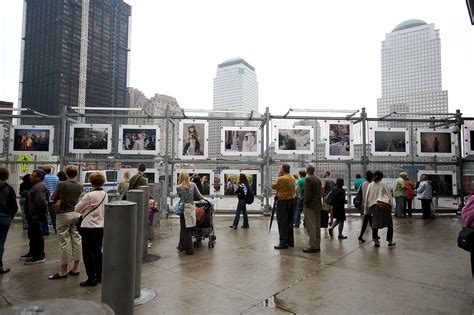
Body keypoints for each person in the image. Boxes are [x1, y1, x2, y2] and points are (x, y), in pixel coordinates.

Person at [75, 172, 107, 287]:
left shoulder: (89, 195)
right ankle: (99, 276)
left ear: (91, 182)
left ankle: (91, 278)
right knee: (98, 251)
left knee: (88, 253)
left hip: (88, 226)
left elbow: (77, 209)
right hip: (100, 226)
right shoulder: (104, 194)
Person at [364, 171, 396, 248]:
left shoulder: (370, 185)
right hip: (384, 206)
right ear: (382, 177)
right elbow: (389, 196)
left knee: (375, 224)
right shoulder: (384, 185)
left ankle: (376, 242)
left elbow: (367, 197)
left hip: (374, 206)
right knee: (389, 224)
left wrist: (366, 208)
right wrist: (392, 208)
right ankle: (390, 241)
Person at [23, 169, 49, 264]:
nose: (31, 177)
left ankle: (39, 255)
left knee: (37, 235)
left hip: (36, 216)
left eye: (33, 176)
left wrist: (37, 214)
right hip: (33, 215)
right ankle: (33, 252)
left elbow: (41, 202)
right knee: (32, 234)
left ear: (39, 178)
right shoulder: (37, 186)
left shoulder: (38, 187)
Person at [176, 172, 204, 255]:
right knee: (188, 229)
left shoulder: (178, 187)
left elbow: (180, 197)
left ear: (180, 177)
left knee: (183, 228)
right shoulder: (193, 185)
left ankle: (188, 249)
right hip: (191, 209)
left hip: (183, 209)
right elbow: (199, 195)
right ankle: (182, 246)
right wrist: (204, 199)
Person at [271, 164, 296, 250]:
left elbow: (273, 186)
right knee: (289, 222)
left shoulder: (281, 179)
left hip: (283, 203)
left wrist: (278, 176)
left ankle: (283, 243)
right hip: (292, 201)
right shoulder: (292, 177)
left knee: (282, 223)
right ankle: (290, 241)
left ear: (283, 170)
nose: (279, 170)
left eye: (280, 168)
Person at [0, 168, 18, 274]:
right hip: (4, 219)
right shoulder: (9, 189)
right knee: (0, 242)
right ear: (7, 176)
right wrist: (10, 216)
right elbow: (14, 207)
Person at [301, 164, 322, 253]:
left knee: (311, 226)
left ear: (307, 170)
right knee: (317, 225)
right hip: (318, 205)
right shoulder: (318, 179)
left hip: (310, 205)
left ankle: (312, 246)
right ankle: (317, 244)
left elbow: (307, 194)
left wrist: (305, 203)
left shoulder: (308, 179)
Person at [357, 170, 374, 243]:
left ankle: (361, 236)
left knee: (368, 220)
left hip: (364, 205)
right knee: (370, 221)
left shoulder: (363, 184)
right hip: (372, 205)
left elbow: (359, 194)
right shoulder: (373, 184)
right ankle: (374, 237)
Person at [42, 166, 59, 235]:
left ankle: (45, 230)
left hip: (46, 198)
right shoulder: (56, 177)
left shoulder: (44, 178)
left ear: (44, 171)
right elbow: (58, 187)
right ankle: (56, 229)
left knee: (44, 215)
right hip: (53, 198)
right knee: (53, 215)